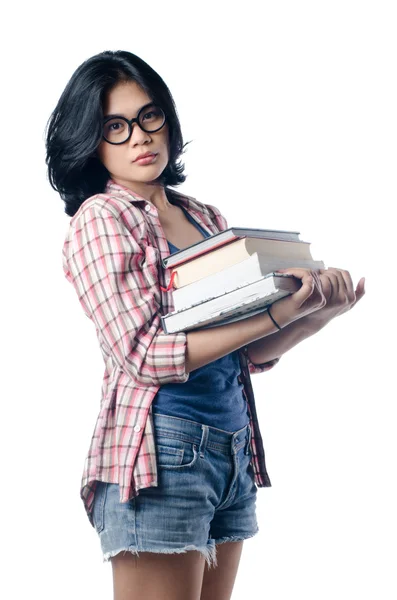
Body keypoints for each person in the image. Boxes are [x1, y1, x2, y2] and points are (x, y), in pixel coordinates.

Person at [45, 50, 365, 600]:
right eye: (114, 127)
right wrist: (274, 311)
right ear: (90, 141)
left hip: (233, 446)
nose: (140, 138)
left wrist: (317, 314)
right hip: (162, 454)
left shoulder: (204, 218)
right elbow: (143, 353)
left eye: (150, 117)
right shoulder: (101, 219)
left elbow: (245, 353)